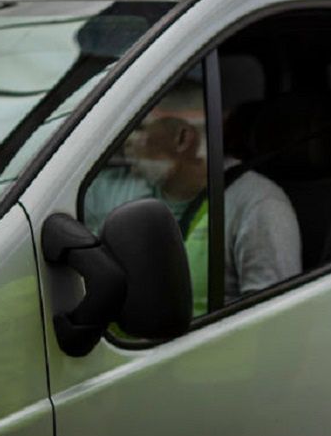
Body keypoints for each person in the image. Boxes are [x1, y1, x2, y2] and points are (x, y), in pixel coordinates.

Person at [86, 81, 302, 315]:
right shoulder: (120, 190)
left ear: (182, 139)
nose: (127, 139)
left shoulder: (258, 205)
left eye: (140, 127)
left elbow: (273, 319)